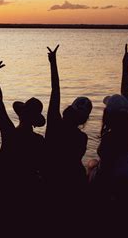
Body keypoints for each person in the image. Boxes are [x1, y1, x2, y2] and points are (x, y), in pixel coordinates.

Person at [0, 61, 46, 234]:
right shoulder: (38, 140)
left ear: (21, 115)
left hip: (4, 188)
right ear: (35, 123)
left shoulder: (9, 133)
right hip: (25, 191)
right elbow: (41, 169)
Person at [88, 44, 128, 196]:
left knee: (91, 163)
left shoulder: (110, 138)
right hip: (127, 178)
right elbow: (126, 93)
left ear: (107, 114)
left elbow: (106, 171)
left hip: (111, 183)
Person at [45, 44, 92, 188]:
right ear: (84, 119)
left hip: (50, 179)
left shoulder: (54, 124)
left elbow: (55, 90)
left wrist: (53, 62)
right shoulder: (82, 138)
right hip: (74, 181)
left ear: (70, 109)